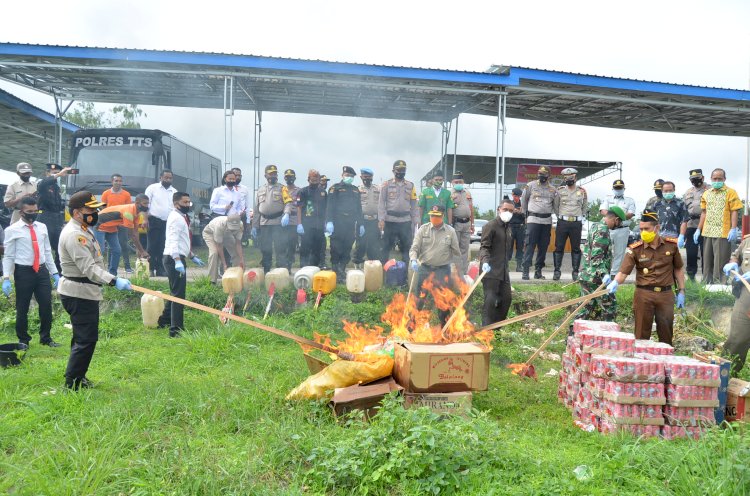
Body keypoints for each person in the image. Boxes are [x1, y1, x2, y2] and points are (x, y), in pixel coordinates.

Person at [57, 191, 132, 390]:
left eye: (95, 209)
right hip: (78, 292)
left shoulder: (83, 228)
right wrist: (113, 280)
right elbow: (88, 268)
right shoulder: (75, 235)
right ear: (76, 212)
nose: (95, 213)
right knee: (85, 339)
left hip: (83, 291)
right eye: (89, 209)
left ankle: (78, 377)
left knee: (83, 337)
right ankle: (72, 384)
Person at [607, 209, 686, 345]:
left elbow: (678, 269)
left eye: (647, 229)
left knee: (666, 334)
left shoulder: (671, 246)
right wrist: (615, 282)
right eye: (641, 229)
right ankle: (641, 365)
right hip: (644, 295)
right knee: (641, 335)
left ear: (657, 228)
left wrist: (681, 291)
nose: (643, 232)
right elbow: (623, 273)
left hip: (665, 295)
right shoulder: (636, 249)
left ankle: (664, 363)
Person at [2, 196, 60, 347]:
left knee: (46, 305)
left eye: (36, 211)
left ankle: (46, 338)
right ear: (21, 212)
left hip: (41, 272)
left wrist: (54, 273)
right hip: (23, 272)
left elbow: (47, 251)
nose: (33, 214)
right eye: (29, 211)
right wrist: (6, 277)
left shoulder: (42, 227)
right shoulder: (12, 230)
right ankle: (23, 339)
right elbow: (8, 255)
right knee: (23, 307)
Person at [157, 192, 205, 337]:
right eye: (185, 202)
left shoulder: (181, 217)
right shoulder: (176, 219)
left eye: (189, 202)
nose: (188, 205)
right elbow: (173, 242)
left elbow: (182, 241)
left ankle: (164, 321)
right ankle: (175, 330)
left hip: (175, 257)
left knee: (175, 292)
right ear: (176, 204)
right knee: (179, 296)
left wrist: (192, 255)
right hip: (173, 259)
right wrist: (178, 261)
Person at [573, 206, 627, 330]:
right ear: (615, 219)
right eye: (619, 222)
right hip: (596, 278)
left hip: (586, 274)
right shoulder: (603, 230)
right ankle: (610, 335)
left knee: (584, 307)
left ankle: (572, 333)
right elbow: (597, 257)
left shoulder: (595, 226)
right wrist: (604, 275)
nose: (618, 225)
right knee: (610, 307)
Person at [409, 205, 460, 326]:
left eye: (437, 216)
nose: (434, 218)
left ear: (443, 216)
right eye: (432, 215)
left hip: (442, 271)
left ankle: (444, 329)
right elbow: (414, 248)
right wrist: (413, 260)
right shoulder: (423, 229)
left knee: (443, 302)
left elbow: (457, 252)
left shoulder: (450, 231)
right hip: (425, 269)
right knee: (418, 300)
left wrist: (458, 270)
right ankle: (411, 327)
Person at [695, 168, 743, 284]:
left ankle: (720, 285)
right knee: (707, 262)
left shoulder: (730, 192)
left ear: (724, 179)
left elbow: (734, 211)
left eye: (719, 179)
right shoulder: (706, 193)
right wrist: (698, 229)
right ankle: (706, 285)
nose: (717, 181)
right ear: (711, 179)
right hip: (707, 232)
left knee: (720, 262)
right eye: (715, 178)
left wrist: (733, 228)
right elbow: (704, 212)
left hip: (723, 233)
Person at [94, 194, 151, 275]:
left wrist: (139, 249)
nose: (147, 206)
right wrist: (142, 251)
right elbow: (132, 234)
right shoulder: (128, 212)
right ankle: (96, 273)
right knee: (100, 250)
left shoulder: (136, 213)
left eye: (148, 203)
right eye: (145, 203)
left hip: (112, 227)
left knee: (117, 250)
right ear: (137, 203)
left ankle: (112, 275)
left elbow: (136, 231)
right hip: (99, 225)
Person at [252, 165, 293, 273]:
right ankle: (266, 271)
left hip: (279, 222)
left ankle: (281, 272)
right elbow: (256, 210)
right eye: (270, 174)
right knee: (266, 249)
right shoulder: (260, 189)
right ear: (265, 175)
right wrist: (254, 226)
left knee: (280, 249)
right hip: (264, 223)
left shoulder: (282, 188)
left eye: (274, 173)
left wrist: (287, 214)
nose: (273, 176)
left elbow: (288, 203)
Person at [478, 200, 513, 326]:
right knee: (490, 302)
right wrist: (485, 262)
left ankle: (496, 329)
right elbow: (484, 247)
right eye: (505, 209)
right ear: (499, 209)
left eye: (511, 210)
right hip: (490, 271)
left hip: (503, 272)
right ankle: (485, 330)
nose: (508, 212)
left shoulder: (508, 227)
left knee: (506, 300)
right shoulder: (491, 226)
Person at [326, 166, 364, 281]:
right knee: (336, 247)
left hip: (350, 222)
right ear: (342, 175)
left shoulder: (355, 190)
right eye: (347, 175)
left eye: (351, 176)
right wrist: (329, 222)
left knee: (347, 246)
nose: (349, 178)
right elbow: (330, 206)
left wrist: (361, 224)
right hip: (338, 222)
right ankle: (335, 270)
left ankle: (342, 270)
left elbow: (359, 208)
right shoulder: (335, 188)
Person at [520, 166, 558, 280]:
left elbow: (555, 206)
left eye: (544, 174)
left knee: (543, 247)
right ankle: (525, 271)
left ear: (548, 176)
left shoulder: (553, 189)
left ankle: (538, 271)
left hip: (546, 221)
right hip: (533, 220)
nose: (541, 175)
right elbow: (524, 200)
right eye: (540, 173)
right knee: (529, 245)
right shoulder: (530, 186)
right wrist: (526, 214)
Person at [379, 160, 419, 264]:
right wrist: (381, 219)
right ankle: (384, 273)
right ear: (393, 171)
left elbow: (414, 204)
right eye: (399, 170)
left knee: (407, 248)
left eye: (403, 170)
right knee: (385, 248)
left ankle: (406, 273)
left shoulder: (411, 185)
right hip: (390, 221)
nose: (401, 172)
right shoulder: (386, 185)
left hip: (405, 221)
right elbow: (381, 203)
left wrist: (416, 220)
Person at [722, 235, 750, 374]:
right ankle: (727, 378)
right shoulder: (748, 240)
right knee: (737, 338)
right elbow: (736, 255)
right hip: (746, 295)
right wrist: (733, 262)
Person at [553, 167, 587, 281]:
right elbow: (556, 207)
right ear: (564, 178)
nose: (569, 179)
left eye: (571, 177)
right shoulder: (560, 190)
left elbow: (584, 207)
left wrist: (579, 217)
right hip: (563, 222)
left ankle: (575, 272)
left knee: (576, 248)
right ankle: (557, 271)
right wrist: (561, 217)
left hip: (576, 223)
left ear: (575, 178)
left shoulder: (582, 191)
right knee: (559, 247)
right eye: (566, 177)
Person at [36, 163, 71, 273]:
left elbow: (58, 207)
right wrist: (59, 174)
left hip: (56, 219)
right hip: (45, 218)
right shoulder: (43, 185)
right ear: (47, 173)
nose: (58, 175)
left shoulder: (56, 187)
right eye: (54, 173)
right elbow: (44, 183)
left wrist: (63, 222)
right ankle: (42, 272)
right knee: (44, 247)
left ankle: (58, 272)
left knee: (60, 247)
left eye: (58, 173)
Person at [600, 179, 636, 276]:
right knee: (604, 250)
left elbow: (631, 213)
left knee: (619, 253)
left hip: (622, 229)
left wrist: (614, 216)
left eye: (620, 188)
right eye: (616, 188)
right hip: (608, 229)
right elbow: (603, 211)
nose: (618, 189)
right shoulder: (607, 198)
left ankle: (614, 274)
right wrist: (615, 216)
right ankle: (603, 271)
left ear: (624, 189)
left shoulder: (629, 200)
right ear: (613, 189)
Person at [145, 170, 176, 276]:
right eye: (166, 177)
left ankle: (160, 269)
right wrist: (145, 218)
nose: (168, 180)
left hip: (167, 222)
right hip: (153, 220)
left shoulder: (174, 192)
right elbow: (145, 204)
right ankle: (150, 268)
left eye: (170, 178)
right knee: (152, 246)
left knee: (163, 246)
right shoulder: (152, 188)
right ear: (161, 177)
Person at [101, 173, 134, 274]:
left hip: (122, 223)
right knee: (112, 246)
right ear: (112, 182)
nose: (118, 183)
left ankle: (127, 266)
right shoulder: (106, 194)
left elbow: (128, 209)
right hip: (110, 223)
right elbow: (103, 209)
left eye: (120, 181)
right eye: (116, 181)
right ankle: (111, 267)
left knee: (123, 244)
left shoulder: (126, 194)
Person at [296, 170, 328, 267]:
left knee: (317, 249)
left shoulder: (323, 192)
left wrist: (326, 223)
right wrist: (299, 224)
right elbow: (299, 208)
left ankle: (315, 268)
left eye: (316, 179)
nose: (314, 181)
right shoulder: (302, 192)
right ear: (308, 179)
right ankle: (303, 269)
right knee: (305, 249)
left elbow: (326, 209)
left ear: (319, 180)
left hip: (319, 226)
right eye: (312, 179)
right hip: (306, 226)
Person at [683, 169, 710, 281]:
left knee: (706, 253)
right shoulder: (688, 192)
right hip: (691, 225)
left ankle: (706, 277)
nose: (695, 180)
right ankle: (691, 278)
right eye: (692, 179)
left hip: (706, 225)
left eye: (697, 178)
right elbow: (685, 209)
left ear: (702, 178)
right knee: (691, 253)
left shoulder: (710, 189)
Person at [202, 214, 244, 283]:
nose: (233, 230)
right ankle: (211, 281)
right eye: (232, 228)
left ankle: (237, 278)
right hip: (210, 233)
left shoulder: (241, 225)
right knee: (214, 253)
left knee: (237, 254)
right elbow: (219, 246)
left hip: (227, 233)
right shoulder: (219, 225)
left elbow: (238, 244)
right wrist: (224, 264)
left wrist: (241, 259)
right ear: (227, 222)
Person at [352, 167, 381, 269]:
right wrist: (359, 222)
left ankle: (372, 268)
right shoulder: (357, 190)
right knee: (361, 245)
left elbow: (382, 205)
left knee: (374, 245)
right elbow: (355, 207)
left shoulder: (378, 189)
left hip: (375, 220)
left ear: (372, 177)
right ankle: (357, 267)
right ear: (361, 177)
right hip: (362, 221)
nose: (367, 179)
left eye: (369, 177)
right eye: (365, 177)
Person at [450, 171, 474, 275]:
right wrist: (450, 224)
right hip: (456, 224)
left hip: (467, 223)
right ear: (452, 182)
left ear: (463, 182)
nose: (458, 183)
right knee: (456, 249)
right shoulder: (449, 194)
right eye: (456, 181)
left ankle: (463, 273)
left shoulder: (467, 193)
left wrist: (472, 224)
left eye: (460, 181)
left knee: (465, 249)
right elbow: (449, 210)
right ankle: (456, 273)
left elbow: (471, 209)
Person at [281, 169, 301, 270]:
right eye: (287, 177)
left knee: (291, 244)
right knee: (282, 243)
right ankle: (282, 264)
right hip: (283, 220)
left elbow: (300, 206)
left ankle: (289, 264)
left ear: (295, 178)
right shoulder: (281, 189)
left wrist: (299, 223)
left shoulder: (299, 191)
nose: (289, 179)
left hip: (294, 220)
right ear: (284, 178)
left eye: (291, 177)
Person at [231, 167, 252, 240]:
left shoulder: (244, 189)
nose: (237, 177)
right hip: (230, 217)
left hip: (242, 218)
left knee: (239, 239)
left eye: (239, 175)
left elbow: (247, 205)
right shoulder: (226, 188)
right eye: (235, 175)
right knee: (230, 239)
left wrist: (248, 222)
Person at [508, 187, 526, 271]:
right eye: (515, 196)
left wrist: (521, 212)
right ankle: (506, 265)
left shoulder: (523, 204)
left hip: (520, 227)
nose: (516, 198)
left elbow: (526, 215)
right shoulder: (509, 204)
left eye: (518, 196)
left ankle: (519, 266)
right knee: (509, 246)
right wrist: (512, 211)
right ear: (512, 195)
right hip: (511, 227)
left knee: (520, 247)